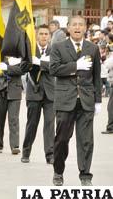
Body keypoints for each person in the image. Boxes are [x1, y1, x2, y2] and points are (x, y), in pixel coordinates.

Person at [50, 14, 102, 186]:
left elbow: (96, 76)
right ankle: (58, 172)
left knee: (86, 140)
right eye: (74, 25)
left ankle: (86, 175)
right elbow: (54, 69)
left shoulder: (92, 48)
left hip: (86, 100)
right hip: (65, 100)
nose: (78, 27)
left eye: (81, 24)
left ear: (85, 28)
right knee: (62, 139)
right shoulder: (58, 47)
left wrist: (98, 101)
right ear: (69, 28)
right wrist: (75, 66)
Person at [21, 24, 55, 164]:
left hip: (50, 94)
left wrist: (39, 62)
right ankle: (26, 152)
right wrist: (30, 62)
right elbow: (22, 68)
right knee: (32, 124)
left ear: (50, 36)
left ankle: (50, 154)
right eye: (41, 34)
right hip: (34, 92)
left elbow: (55, 67)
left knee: (50, 125)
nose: (43, 36)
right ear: (37, 35)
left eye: (46, 34)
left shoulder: (54, 50)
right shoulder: (30, 50)